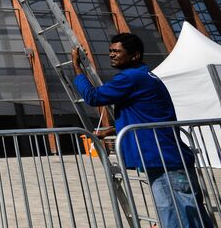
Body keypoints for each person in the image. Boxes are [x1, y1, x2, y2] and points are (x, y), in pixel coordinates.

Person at [73, 33, 213, 227]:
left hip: (163, 161)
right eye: (110, 51)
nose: (111, 55)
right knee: (191, 214)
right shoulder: (146, 76)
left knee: (175, 216)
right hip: (167, 158)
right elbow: (148, 116)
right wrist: (111, 130)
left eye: (117, 51)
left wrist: (77, 68)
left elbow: (94, 97)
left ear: (134, 55)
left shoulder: (131, 78)